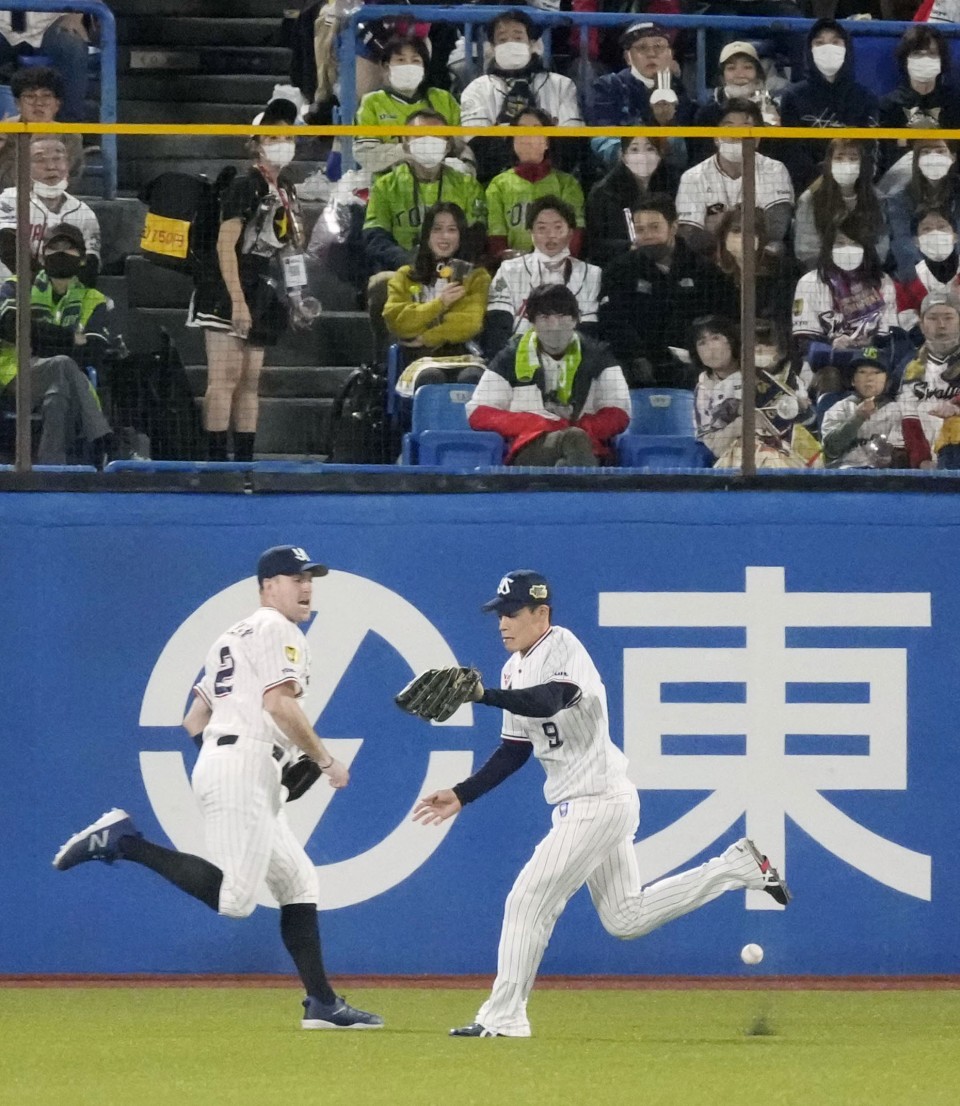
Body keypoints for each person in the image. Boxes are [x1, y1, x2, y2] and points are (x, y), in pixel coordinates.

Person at [412, 569, 791, 1038]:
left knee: (527, 900)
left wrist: (484, 695)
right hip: (592, 803)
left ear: (541, 613)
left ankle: (504, 1017)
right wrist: (461, 793)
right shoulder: (513, 668)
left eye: (512, 612)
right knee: (625, 917)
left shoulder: (563, 646)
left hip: (597, 802)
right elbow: (515, 749)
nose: (502, 622)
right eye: (499, 613)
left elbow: (552, 699)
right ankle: (738, 867)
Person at [53, 545, 383, 1032]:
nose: (307, 586)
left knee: (299, 882)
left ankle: (322, 1003)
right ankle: (124, 841)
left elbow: (196, 717)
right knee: (236, 901)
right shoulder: (277, 628)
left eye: (310, 577)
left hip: (237, 761)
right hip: (244, 763)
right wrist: (323, 759)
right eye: (296, 578)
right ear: (268, 587)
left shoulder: (233, 635)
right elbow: (280, 705)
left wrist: (227, 757)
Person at [188, 100, 309, 462]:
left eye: (288, 135)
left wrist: (297, 296)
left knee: (249, 383)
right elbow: (226, 244)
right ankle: (214, 466)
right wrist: (236, 299)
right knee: (224, 379)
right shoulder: (245, 185)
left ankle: (243, 464)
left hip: (262, 286)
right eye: (273, 135)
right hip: (226, 286)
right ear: (256, 142)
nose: (281, 142)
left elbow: (289, 249)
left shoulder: (286, 188)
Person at [469, 284, 628, 467]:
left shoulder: (599, 356)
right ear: (532, 322)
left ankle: (566, 477)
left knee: (575, 440)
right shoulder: (509, 357)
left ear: (576, 319)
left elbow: (620, 413)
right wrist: (538, 423)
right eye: (545, 317)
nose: (554, 326)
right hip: (531, 446)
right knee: (574, 439)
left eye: (561, 317)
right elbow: (478, 413)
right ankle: (584, 489)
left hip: (589, 445)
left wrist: (578, 426)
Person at [0, 222, 113, 465]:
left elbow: (93, 352)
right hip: (16, 377)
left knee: (58, 393)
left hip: (65, 381)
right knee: (63, 362)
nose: (60, 253)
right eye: (54, 248)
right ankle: (102, 437)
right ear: (42, 257)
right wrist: (71, 338)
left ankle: (52, 468)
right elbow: (9, 326)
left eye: (68, 248)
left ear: (82, 259)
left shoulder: (93, 299)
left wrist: (37, 337)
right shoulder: (17, 286)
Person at [598, 193, 738, 388]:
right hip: (636, 370)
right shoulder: (619, 270)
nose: (647, 235)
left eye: (654, 227)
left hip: (695, 368)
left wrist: (698, 356)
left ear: (673, 227)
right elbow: (612, 320)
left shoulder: (705, 271)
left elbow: (723, 318)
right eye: (640, 229)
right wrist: (635, 356)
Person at [460, 9, 583, 184]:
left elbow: (571, 143)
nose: (510, 43)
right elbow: (478, 146)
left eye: (518, 37)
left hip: (554, 178)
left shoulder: (562, 85)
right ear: (493, 48)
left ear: (533, 44)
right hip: (495, 179)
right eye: (502, 39)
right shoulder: (477, 89)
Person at [362, 109, 487, 278]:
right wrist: (410, 261)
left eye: (436, 136)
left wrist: (448, 264)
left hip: (454, 271)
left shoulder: (467, 185)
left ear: (448, 145)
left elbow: (476, 235)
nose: (428, 142)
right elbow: (375, 237)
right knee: (379, 282)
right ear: (406, 144)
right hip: (402, 271)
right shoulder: (384, 186)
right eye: (420, 136)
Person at [482, 197, 600, 358]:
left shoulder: (591, 274)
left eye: (558, 228)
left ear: (571, 233)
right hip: (518, 357)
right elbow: (498, 327)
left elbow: (588, 331)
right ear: (531, 233)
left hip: (572, 359)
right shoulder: (510, 270)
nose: (550, 235)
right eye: (542, 228)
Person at [675, 99, 794, 258]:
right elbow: (691, 235)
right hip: (712, 258)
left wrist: (722, 220)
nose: (737, 135)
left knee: (776, 248)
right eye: (729, 127)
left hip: (759, 254)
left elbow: (775, 229)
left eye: (746, 127)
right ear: (715, 137)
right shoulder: (692, 177)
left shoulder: (775, 170)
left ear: (759, 137)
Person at [382, 202, 490, 369]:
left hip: (461, 355)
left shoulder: (477, 276)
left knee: (471, 377)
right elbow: (397, 321)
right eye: (437, 229)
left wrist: (426, 338)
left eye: (452, 230)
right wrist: (440, 304)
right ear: (427, 235)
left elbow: (469, 323)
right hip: (416, 357)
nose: (444, 236)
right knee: (430, 376)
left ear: (461, 235)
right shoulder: (404, 275)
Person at [778, 19, 879, 193]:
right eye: (819, 43)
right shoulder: (792, 96)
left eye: (835, 42)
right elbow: (792, 151)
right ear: (809, 50)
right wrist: (821, 183)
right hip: (810, 188)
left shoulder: (865, 97)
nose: (828, 48)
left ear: (847, 48)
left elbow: (871, 148)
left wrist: (852, 181)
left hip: (858, 187)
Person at [354, 34, 465, 177]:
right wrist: (409, 151)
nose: (408, 65)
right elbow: (366, 155)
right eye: (400, 60)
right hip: (390, 184)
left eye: (416, 60)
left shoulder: (443, 99)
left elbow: (461, 144)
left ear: (424, 69)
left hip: (443, 181)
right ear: (387, 67)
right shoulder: (372, 102)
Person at [589, 23, 692, 173]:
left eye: (659, 46)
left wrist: (667, 125)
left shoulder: (679, 90)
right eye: (642, 48)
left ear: (670, 55)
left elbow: (683, 154)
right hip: (619, 174)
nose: (652, 53)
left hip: (667, 175)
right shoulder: (608, 86)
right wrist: (638, 157)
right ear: (628, 57)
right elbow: (601, 140)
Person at [485, 108, 585, 262]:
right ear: (512, 140)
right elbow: (497, 238)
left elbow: (575, 233)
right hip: (513, 270)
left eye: (537, 130)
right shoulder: (499, 185)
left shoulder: (567, 184)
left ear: (548, 141)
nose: (528, 137)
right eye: (522, 130)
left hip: (558, 267)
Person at [792, 219, 898, 360]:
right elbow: (804, 341)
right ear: (828, 248)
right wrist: (834, 344)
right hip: (825, 362)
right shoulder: (809, 283)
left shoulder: (883, 282)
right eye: (840, 243)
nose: (848, 249)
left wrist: (869, 343)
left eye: (855, 243)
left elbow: (888, 337)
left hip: (870, 360)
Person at [0, 134, 100, 281]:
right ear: (24, 167)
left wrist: (65, 292)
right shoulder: (8, 200)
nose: (51, 166)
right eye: (40, 159)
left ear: (67, 165)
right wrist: (44, 286)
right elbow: (9, 249)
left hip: (64, 294)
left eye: (58, 158)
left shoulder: (83, 212)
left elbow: (91, 263)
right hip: (9, 292)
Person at [584, 136, 680, 267]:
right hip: (621, 265)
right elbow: (594, 244)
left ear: (659, 154)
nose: (642, 156)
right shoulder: (603, 192)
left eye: (650, 149)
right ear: (623, 156)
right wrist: (629, 247)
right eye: (634, 150)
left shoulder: (673, 182)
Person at [793, 139, 889, 271]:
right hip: (822, 274)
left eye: (853, 158)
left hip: (867, 274)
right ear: (829, 163)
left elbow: (881, 247)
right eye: (839, 158)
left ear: (862, 164)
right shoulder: (810, 199)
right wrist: (836, 275)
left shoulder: (877, 199)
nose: (846, 164)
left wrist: (862, 272)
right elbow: (806, 250)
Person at [878, 26, 960, 176]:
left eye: (932, 54)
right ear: (905, 60)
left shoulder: (955, 104)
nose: (925, 59)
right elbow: (884, 160)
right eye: (917, 54)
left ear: (942, 60)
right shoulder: (888, 106)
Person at [689, 41, 780, 168]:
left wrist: (774, 132)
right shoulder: (707, 113)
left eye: (747, 67)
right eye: (731, 68)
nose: (740, 75)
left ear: (758, 73)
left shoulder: (773, 109)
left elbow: (777, 155)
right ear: (722, 77)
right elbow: (701, 157)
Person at [895, 291, 960, 468]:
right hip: (929, 458)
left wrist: (955, 404)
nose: (941, 325)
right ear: (922, 325)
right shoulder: (909, 367)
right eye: (933, 318)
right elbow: (909, 419)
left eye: (948, 317)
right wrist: (922, 460)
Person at [715, 207, 797, 339]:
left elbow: (783, 319)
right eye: (736, 231)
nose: (742, 238)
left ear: (761, 237)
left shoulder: (783, 270)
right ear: (724, 235)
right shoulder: (715, 275)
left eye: (750, 232)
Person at [885, 139, 960, 283]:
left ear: (953, 157)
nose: (933, 157)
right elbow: (902, 244)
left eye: (940, 151)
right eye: (926, 152)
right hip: (918, 276)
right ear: (916, 159)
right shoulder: (898, 198)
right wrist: (923, 283)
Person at [0, 67, 83, 189]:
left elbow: (65, 181)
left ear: (57, 105)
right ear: (17, 104)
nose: (38, 103)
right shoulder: (5, 132)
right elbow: (6, 182)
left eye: (46, 96)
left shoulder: (70, 136)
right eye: (30, 96)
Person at [0, 11, 91, 122]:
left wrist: (75, 16)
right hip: (2, 27)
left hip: (51, 22)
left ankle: (68, 129)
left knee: (72, 46)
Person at [821, 353, 901, 468]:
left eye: (876, 373)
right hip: (844, 475)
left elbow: (900, 455)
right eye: (862, 372)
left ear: (887, 382)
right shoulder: (839, 408)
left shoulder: (896, 410)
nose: (869, 377)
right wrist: (857, 418)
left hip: (883, 477)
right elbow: (831, 451)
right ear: (853, 380)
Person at [894, 207, 960, 335]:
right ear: (916, 241)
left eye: (942, 227)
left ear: (955, 237)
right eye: (926, 229)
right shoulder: (907, 280)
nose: (935, 233)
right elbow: (908, 323)